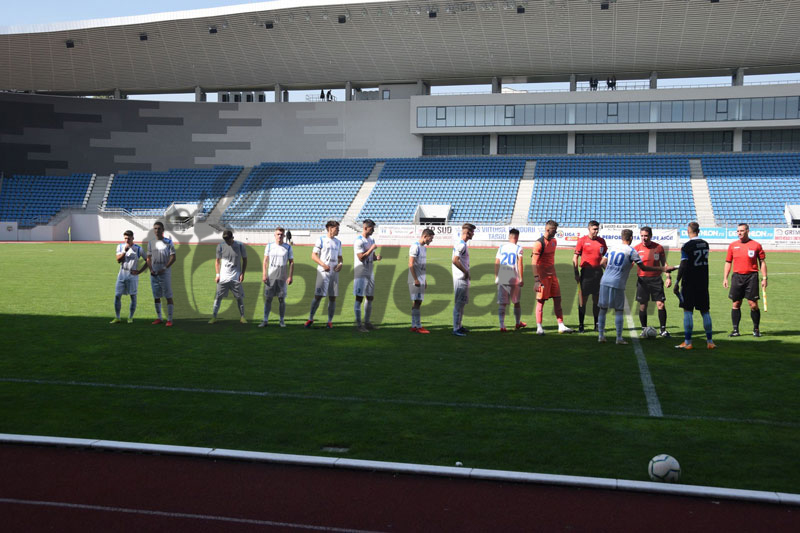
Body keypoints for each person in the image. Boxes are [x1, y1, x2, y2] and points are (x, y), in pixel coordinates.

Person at [597, 229, 674, 344]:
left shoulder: (612, 247)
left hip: (605, 280)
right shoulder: (632, 250)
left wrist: (610, 270)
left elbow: (602, 262)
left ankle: (601, 336)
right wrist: (663, 269)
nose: (643, 238)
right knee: (619, 310)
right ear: (631, 238)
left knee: (603, 309)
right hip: (618, 282)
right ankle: (619, 338)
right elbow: (643, 267)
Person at [673, 222, 716, 350]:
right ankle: (710, 342)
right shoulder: (705, 244)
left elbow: (684, 264)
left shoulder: (687, 246)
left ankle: (688, 342)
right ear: (699, 230)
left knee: (688, 311)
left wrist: (677, 281)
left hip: (689, 283)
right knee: (705, 311)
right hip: (703, 282)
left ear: (688, 231)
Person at [723, 223, 767, 337]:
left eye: (741, 231)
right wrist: (725, 278)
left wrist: (764, 278)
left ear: (747, 231)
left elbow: (762, 262)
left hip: (751, 277)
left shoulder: (756, 245)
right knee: (736, 303)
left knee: (753, 304)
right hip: (737, 277)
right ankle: (735, 330)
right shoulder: (732, 245)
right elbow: (728, 262)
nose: (739, 233)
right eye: (738, 231)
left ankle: (756, 329)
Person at [532, 220, 573, 335]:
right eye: (554, 230)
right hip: (543, 277)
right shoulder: (539, 243)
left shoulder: (554, 241)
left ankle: (561, 325)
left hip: (553, 276)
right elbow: (534, 262)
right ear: (547, 229)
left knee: (558, 300)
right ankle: (539, 328)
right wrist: (536, 279)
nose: (555, 232)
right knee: (541, 302)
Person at [634, 227, 672, 337]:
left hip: (656, 280)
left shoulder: (658, 248)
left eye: (646, 236)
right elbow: (630, 264)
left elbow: (664, 264)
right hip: (642, 280)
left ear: (651, 236)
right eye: (642, 236)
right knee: (643, 306)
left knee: (661, 304)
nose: (644, 238)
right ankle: (644, 330)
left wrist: (668, 277)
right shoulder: (636, 249)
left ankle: (663, 330)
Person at [306, 220, 343, 328]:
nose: (338, 230)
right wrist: (323, 265)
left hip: (334, 272)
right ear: (330, 228)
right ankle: (310, 318)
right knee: (318, 296)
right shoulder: (321, 240)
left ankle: (329, 321)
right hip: (323, 272)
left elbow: (340, 257)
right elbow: (313, 255)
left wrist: (340, 264)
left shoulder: (338, 242)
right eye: (337, 228)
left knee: (333, 297)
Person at [573, 220, 607, 333]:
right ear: (589, 229)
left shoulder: (602, 241)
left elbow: (605, 258)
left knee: (597, 300)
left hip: (598, 273)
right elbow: (575, 257)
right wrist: (576, 272)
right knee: (583, 300)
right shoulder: (582, 240)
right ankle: (581, 325)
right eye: (594, 229)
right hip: (586, 273)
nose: (596, 231)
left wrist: (607, 271)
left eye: (597, 229)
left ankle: (596, 325)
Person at [209, 229, 248, 324]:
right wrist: (217, 274)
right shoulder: (220, 246)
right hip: (223, 277)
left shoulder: (240, 245)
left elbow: (245, 260)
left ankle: (242, 317)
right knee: (218, 297)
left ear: (232, 237)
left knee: (239, 298)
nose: (227, 241)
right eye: (225, 239)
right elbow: (217, 261)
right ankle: (214, 317)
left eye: (228, 239)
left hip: (236, 277)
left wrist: (242, 273)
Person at [259, 227, 293, 328]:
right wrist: (264, 274)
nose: (279, 236)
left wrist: (290, 276)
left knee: (281, 299)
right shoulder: (269, 246)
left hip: (282, 277)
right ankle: (265, 320)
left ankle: (281, 320)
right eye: (278, 234)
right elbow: (265, 261)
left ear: (284, 235)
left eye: (281, 234)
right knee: (268, 299)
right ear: (274, 235)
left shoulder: (288, 247)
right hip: (271, 277)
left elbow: (291, 262)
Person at [111, 230, 146, 324]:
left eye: (129, 238)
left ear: (133, 238)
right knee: (117, 295)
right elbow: (118, 260)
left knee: (133, 296)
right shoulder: (120, 247)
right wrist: (124, 251)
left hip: (132, 274)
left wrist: (139, 271)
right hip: (122, 273)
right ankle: (117, 317)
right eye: (125, 238)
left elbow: (148, 260)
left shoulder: (138, 249)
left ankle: (130, 317)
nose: (127, 240)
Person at [353, 219, 382, 332]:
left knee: (370, 297)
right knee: (359, 298)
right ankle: (359, 325)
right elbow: (361, 257)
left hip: (370, 271)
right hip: (361, 272)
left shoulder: (371, 239)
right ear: (365, 228)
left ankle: (367, 322)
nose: (373, 230)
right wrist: (371, 249)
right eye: (372, 228)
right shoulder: (359, 241)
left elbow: (372, 256)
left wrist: (376, 257)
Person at [495, 228, 526, 332]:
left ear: (509, 236)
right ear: (517, 237)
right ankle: (517, 323)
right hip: (513, 277)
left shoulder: (501, 247)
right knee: (516, 301)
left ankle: (502, 325)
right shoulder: (518, 248)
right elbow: (520, 263)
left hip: (503, 276)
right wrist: (521, 278)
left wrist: (496, 277)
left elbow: (497, 262)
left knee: (502, 303)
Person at [147, 221, 176, 326]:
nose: (157, 230)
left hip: (165, 273)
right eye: (155, 228)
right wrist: (151, 269)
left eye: (159, 228)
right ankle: (159, 318)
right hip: (154, 273)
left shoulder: (168, 242)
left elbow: (173, 257)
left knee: (168, 296)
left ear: (163, 230)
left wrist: (164, 268)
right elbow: (148, 258)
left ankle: (169, 319)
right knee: (156, 296)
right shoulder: (151, 243)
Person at [452, 223, 475, 337]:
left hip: (462, 278)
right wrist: (465, 272)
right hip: (460, 278)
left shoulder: (461, 243)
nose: (473, 234)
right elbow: (455, 260)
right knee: (459, 304)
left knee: (462, 304)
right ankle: (456, 328)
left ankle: (459, 326)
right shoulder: (461, 245)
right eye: (472, 232)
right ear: (468, 232)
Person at [409, 228, 435, 334]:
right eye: (430, 238)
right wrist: (415, 279)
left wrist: (425, 279)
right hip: (415, 279)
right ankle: (418, 326)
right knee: (417, 302)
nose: (431, 240)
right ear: (425, 236)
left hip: (421, 278)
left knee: (417, 302)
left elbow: (422, 266)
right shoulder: (415, 247)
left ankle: (414, 325)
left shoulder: (424, 248)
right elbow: (411, 264)